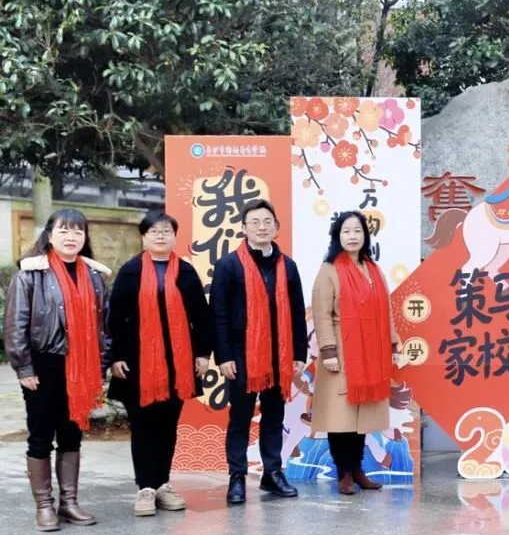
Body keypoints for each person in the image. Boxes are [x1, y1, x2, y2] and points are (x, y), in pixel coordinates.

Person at [4, 209, 110, 531]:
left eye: (78, 231)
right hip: (43, 365)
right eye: (63, 231)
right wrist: (24, 367)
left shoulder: (94, 276)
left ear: (85, 237)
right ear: (49, 236)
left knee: (71, 434)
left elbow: (103, 326)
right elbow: (15, 325)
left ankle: (69, 502)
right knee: (40, 435)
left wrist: (101, 364)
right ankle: (44, 506)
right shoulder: (30, 274)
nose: (71, 237)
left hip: (82, 367)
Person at [106, 212, 213, 516]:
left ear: (175, 236)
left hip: (178, 364)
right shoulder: (130, 271)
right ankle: (145, 488)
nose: (161, 235)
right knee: (143, 427)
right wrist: (116, 356)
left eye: (166, 230)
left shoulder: (186, 272)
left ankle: (163, 485)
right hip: (137, 363)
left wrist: (203, 353)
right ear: (143, 237)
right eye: (154, 231)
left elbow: (201, 317)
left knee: (167, 426)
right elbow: (116, 318)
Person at [210, 199, 308, 504]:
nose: (262, 227)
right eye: (255, 222)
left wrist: (299, 354)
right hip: (241, 356)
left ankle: (273, 473)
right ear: (244, 228)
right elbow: (218, 315)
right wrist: (224, 356)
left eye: (267, 222)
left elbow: (297, 313)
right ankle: (237, 477)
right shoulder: (229, 265)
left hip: (279, 355)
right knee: (240, 418)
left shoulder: (287, 266)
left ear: (276, 227)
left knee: (274, 417)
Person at [311, 211, 402, 494]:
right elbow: (322, 314)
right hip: (341, 351)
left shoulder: (373, 269)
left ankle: (358, 469)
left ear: (365, 235)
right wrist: (328, 351)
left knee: (362, 417)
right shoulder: (329, 270)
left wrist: (393, 345)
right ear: (337, 236)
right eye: (346, 231)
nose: (352, 236)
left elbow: (386, 310)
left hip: (371, 352)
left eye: (357, 231)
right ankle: (344, 473)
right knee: (341, 418)